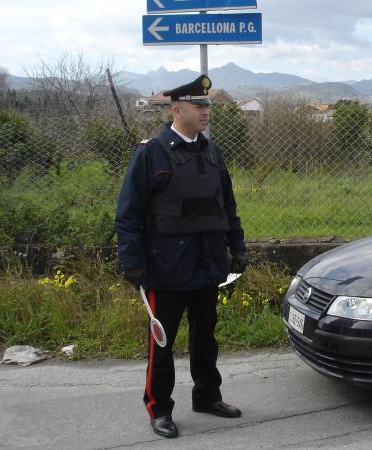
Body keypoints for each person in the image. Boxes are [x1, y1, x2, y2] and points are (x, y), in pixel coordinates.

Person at [115, 74, 248, 439]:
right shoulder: (150, 152)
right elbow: (128, 213)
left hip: (207, 263)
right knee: (163, 343)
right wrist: (132, 261)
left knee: (206, 336)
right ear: (177, 110)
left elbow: (226, 206)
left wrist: (237, 247)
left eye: (207, 105)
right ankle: (159, 408)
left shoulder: (211, 150)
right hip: (166, 266)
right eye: (199, 105)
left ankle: (207, 396)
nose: (207, 111)